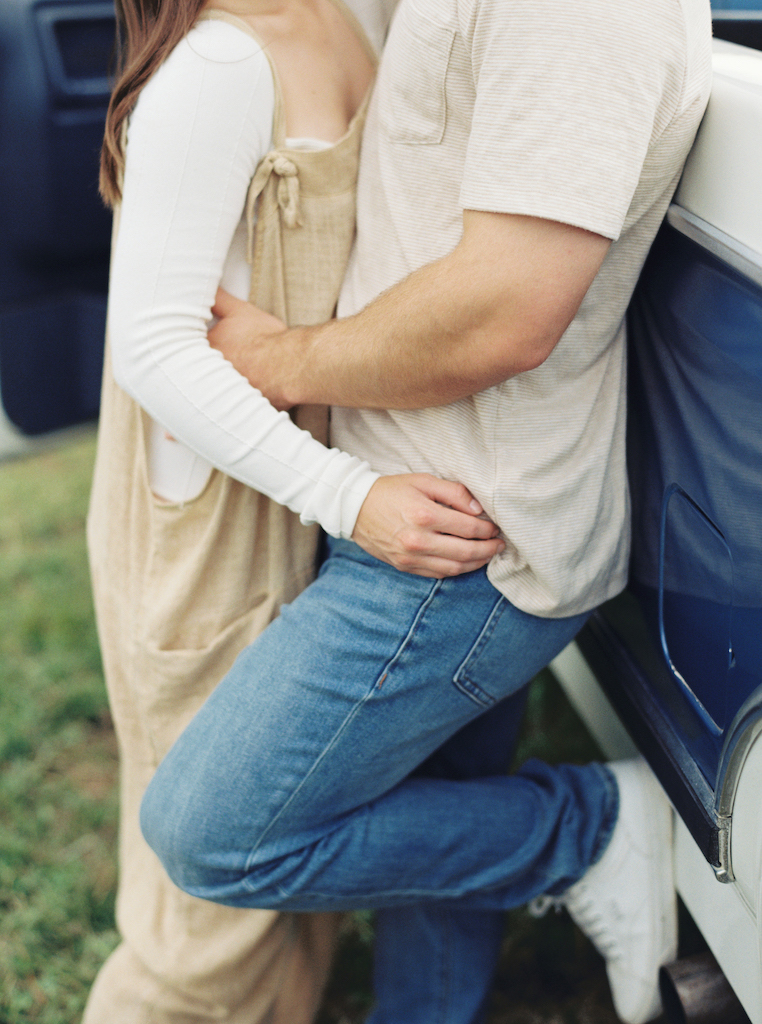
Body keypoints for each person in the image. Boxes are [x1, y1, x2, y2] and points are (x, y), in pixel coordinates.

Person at [139, 0, 714, 1022]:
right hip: (429, 494)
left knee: (215, 830)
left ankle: (594, 829)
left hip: (457, 537)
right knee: (436, 818)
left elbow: (508, 306)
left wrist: (279, 362)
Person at [84, 0, 505, 1021]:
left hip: (299, 483)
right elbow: (154, 344)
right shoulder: (221, 64)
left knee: (297, 846)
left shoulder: (356, 14)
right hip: (209, 530)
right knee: (206, 927)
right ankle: (590, 836)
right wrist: (350, 496)